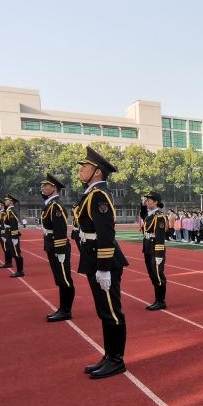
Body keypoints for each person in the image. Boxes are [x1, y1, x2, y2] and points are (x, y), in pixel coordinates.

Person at [75, 147, 128, 379]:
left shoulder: (98, 196)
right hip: (93, 257)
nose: (81, 170)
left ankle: (116, 360)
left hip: (103, 259)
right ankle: (109, 355)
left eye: (85, 167)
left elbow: (105, 233)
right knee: (104, 311)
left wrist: (104, 267)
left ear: (97, 172)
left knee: (111, 312)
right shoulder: (91, 194)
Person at [39, 174, 76, 322]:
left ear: (54, 188)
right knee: (60, 279)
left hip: (58, 247)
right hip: (52, 246)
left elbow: (60, 230)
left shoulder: (56, 206)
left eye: (45, 185)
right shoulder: (50, 204)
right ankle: (63, 308)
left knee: (64, 279)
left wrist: (60, 251)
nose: (42, 187)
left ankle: (66, 311)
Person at [141, 191, 168, 310]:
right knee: (152, 275)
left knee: (158, 275)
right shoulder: (149, 214)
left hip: (155, 250)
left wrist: (159, 254)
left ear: (156, 202)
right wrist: (143, 203)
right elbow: (142, 213)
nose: (146, 202)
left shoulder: (159, 217)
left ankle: (161, 301)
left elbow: (160, 238)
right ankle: (157, 300)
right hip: (147, 249)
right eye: (146, 200)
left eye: (149, 200)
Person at [3, 194, 25, 277]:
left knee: (16, 252)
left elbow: (14, 224)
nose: (5, 201)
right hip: (9, 233)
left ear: (11, 201)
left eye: (6, 200)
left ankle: (20, 271)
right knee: (13, 252)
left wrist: (14, 237)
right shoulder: (8, 210)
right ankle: (19, 271)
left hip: (12, 234)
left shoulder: (11, 211)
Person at [0, 200, 13, 269]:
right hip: (1, 232)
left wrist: (3, 234)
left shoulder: (3, 213)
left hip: (3, 233)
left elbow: (3, 224)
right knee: (5, 248)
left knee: (6, 248)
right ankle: (8, 262)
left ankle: (8, 263)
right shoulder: (0, 213)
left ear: (2, 206)